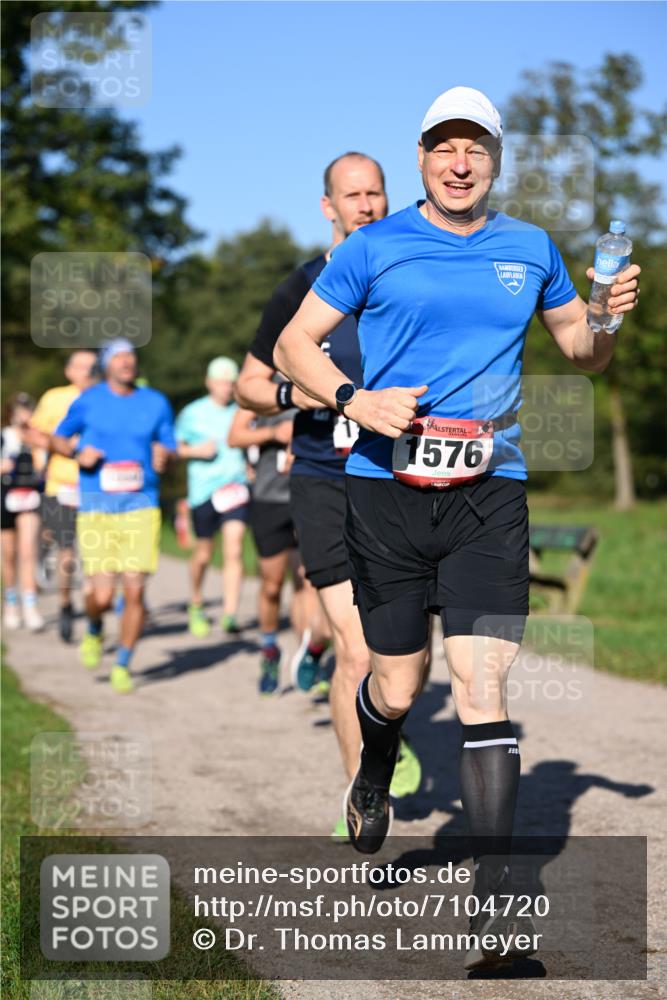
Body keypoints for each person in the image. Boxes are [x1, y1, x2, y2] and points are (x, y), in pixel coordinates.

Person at [273, 87, 640, 967]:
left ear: (495, 159)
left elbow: (580, 352)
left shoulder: (531, 248)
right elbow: (294, 345)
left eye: (474, 146)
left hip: (489, 489)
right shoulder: (374, 246)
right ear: (422, 158)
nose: (459, 160)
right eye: (443, 146)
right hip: (383, 488)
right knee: (397, 689)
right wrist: (357, 397)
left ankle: (501, 912)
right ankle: (372, 767)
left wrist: (606, 318)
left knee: (482, 690)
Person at [236, 152, 422, 840]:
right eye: (353, 195)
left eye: (376, 192)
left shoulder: (409, 273)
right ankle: (364, 796)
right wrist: (304, 391)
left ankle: (386, 732)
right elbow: (249, 387)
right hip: (323, 477)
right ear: (328, 206)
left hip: (404, 477)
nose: (367, 205)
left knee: (409, 655)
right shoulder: (304, 284)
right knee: (354, 647)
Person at [51, 338, 177, 694]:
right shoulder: (88, 400)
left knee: (134, 593)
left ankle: (123, 662)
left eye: (131, 357)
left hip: (141, 506)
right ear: (107, 364)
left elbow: (169, 444)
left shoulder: (155, 403)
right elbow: (58, 439)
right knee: (102, 597)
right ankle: (94, 626)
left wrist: (165, 456)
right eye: (119, 357)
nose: (126, 363)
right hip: (97, 508)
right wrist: (77, 451)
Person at [228, 398, 326, 694]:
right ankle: (269, 651)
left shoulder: (324, 376)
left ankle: (308, 657)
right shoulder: (266, 385)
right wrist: (274, 432)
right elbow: (235, 436)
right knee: (272, 585)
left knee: (307, 581)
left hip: (311, 494)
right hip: (269, 498)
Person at [175, 357, 249, 637]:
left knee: (234, 547)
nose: (226, 388)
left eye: (231, 383)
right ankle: (196, 600)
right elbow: (174, 449)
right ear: (209, 382)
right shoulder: (192, 413)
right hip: (203, 492)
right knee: (204, 553)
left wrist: (249, 465)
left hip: (234, 490)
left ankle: (230, 613)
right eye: (220, 382)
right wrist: (195, 452)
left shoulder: (242, 410)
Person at [30, 349, 98, 641]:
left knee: (95, 552)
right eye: (80, 366)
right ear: (69, 371)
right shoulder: (54, 398)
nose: (86, 371)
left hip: (97, 486)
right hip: (62, 485)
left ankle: (95, 607)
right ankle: (66, 605)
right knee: (66, 549)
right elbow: (33, 433)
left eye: (91, 366)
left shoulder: (106, 398)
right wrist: (59, 449)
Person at [1, 393, 45, 631]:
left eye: (28, 409)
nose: (24, 413)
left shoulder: (37, 439)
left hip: (29, 498)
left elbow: (44, 469)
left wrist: (37, 444)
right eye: (20, 409)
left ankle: (30, 606)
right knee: (9, 556)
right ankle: (10, 603)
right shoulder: (4, 437)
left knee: (28, 552)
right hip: (5, 499)